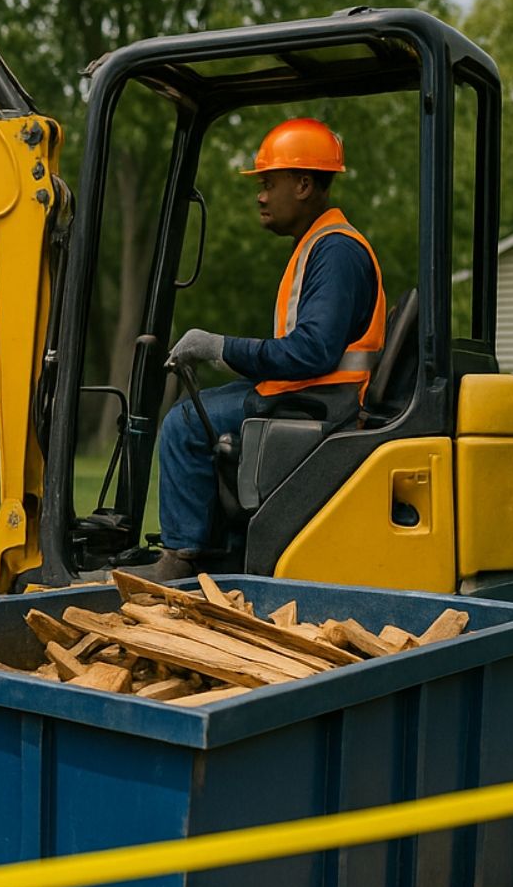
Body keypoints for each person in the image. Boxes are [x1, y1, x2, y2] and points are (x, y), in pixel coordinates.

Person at [148, 118, 385, 579]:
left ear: (302, 184)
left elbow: (312, 352)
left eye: (268, 183)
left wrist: (219, 347)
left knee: (183, 424)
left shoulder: (335, 252)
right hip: (310, 393)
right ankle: (218, 550)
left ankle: (182, 559)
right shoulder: (321, 245)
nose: (260, 195)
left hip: (320, 402)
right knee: (200, 410)